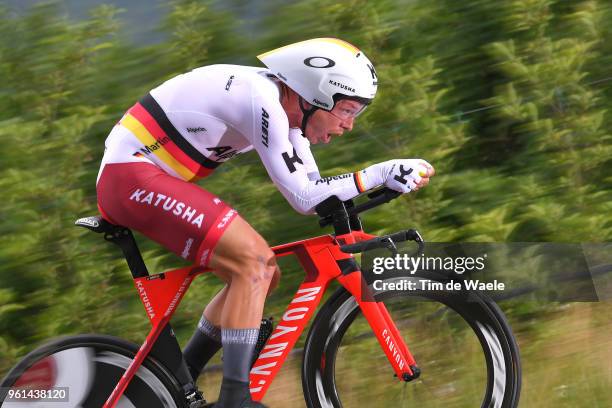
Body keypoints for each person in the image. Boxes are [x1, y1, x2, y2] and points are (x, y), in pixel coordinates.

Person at [96, 37, 435, 408]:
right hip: (130, 178)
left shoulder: (289, 116)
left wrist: (377, 182)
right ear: (314, 96)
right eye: (348, 110)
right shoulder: (263, 101)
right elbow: (304, 198)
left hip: (144, 177)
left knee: (265, 274)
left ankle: (182, 378)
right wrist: (379, 172)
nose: (350, 126)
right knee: (253, 264)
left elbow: (314, 194)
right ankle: (235, 399)